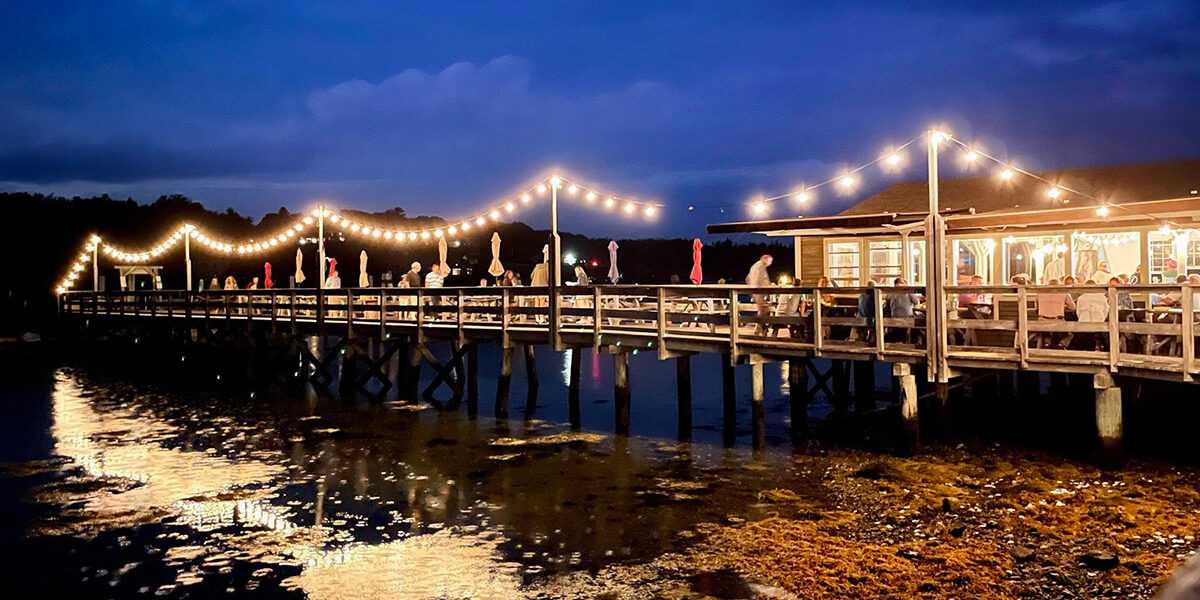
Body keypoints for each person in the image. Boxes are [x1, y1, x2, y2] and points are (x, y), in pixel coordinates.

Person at [1035, 278, 1076, 348]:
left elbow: (1036, 308)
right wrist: (1063, 306)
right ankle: (1062, 344)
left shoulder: (1039, 293)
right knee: (1070, 334)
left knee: (1045, 332)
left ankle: (1047, 342)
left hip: (1042, 320)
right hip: (1058, 320)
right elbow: (1073, 307)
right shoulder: (1064, 293)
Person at [1076, 280, 1109, 350]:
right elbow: (1106, 311)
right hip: (1099, 324)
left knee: (1085, 344)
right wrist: (1102, 318)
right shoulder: (1102, 297)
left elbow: (1078, 312)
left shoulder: (1081, 298)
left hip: (1084, 324)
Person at [746, 254, 773, 335]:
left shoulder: (761, 266)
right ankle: (760, 327)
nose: (770, 263)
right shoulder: (758, 266)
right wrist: (756, 290)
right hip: (757, 291)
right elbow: (755, 279)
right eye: (770, 261)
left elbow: (747, 278)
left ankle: (760, 327)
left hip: (759, 291)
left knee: (763, 309)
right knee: (763, 309)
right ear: (764, 259)